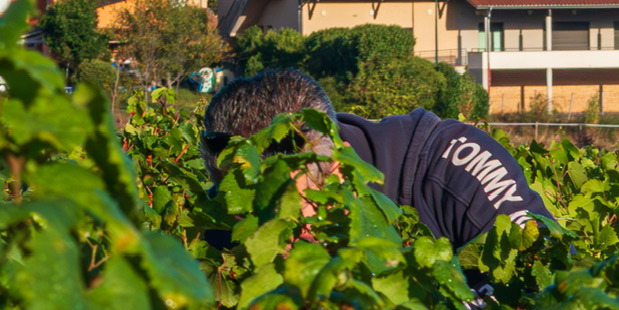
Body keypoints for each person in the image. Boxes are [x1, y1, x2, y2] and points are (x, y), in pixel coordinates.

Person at [200, 68, 551, 251]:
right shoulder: (218, 221)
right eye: (243, 214)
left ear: (339, 168)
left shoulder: (457, 164)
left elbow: (550, 281)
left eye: (279, 213)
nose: (262, 235)